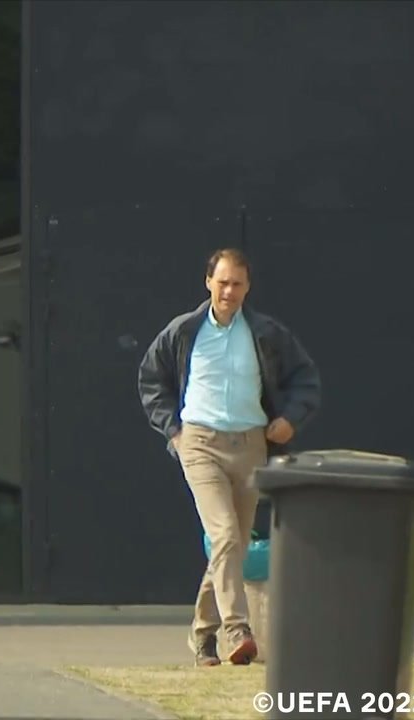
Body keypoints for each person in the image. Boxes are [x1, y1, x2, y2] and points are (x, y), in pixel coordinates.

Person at [137, 248, 321, 667]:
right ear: (208, 282)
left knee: (232, 546)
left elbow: (305, 378)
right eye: (222, 282)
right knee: (224, 536)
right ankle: (237, 628)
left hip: (251, 444)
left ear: (247, 287)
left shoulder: (266, 334)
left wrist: (290, 419)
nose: (229, 291)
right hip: (200, 443)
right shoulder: (185, 331)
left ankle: (202, 635)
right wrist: (174, 429)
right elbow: (151, 378)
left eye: (237, 284)